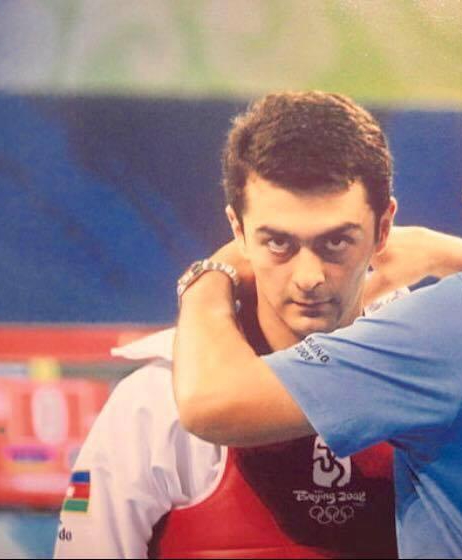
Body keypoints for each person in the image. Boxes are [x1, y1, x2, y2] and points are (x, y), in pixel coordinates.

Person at [173, 57, 462, 558]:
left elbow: (210, 403)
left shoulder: (457, 324)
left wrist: (208, 274)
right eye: (279, 241)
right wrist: (446, 254)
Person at [54, 90, 431, 559]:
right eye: (279, 243)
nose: (309, 276)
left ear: (384, 228)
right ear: (238, 231)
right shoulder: (154, 403)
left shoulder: (435, 377)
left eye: (336, 242)